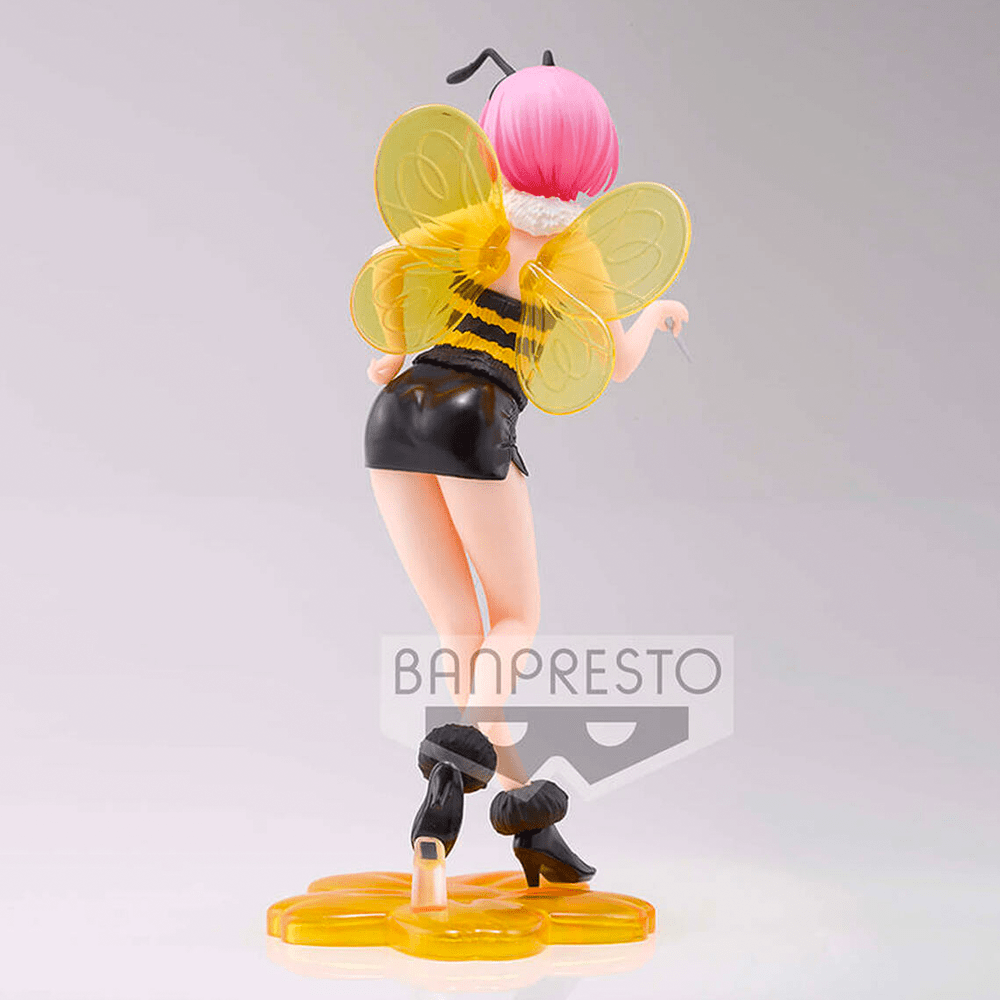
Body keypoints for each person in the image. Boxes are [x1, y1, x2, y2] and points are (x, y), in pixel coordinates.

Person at [358, 49, 690, 887]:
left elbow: (390, 263)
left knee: (462, 635)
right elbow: (614, 365)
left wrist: (391, 353)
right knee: (515, 621)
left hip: (395, 412)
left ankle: (527, 819)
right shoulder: (576, 250)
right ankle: (455, 764)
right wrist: (655, 314)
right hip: (475, 417)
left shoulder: (473, 220)